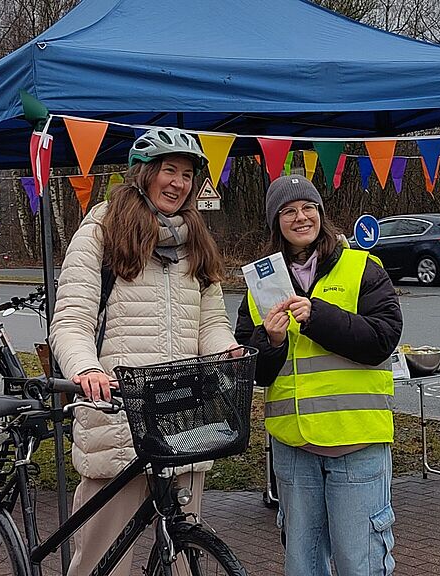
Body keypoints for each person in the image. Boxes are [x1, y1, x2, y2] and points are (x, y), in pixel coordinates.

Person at [50, 127, 238, 576]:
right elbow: (71, 319)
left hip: (185, 421)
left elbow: (210, 324)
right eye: (169, 170)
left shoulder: (197, 240)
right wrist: (86, 370)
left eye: (187, 174)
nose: (179, 183)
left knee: (183, 552)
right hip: (119, 416)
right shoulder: (102, 229)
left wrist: (227, 349)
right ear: (144, 173)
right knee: (101, 561)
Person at [235, 175, 403, 575]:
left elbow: (382, 339)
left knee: (360, 564)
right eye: (288, 211)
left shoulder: (362, 268)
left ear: (321, 214)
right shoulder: (261, 282)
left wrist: (317, 316)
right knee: (303, 565)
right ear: (275, 222)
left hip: (356, 441)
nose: (300, 217)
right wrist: (271, 341)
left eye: (308, 208)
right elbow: (251, 368)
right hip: (294, 448)